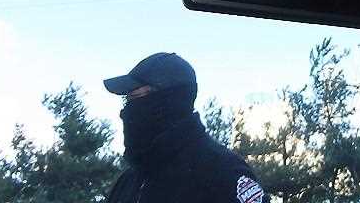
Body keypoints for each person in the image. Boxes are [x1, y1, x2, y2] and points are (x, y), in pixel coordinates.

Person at [104, 52, 265, 203]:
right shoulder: (128, 181)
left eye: (137, 98)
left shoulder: (223, 173)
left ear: (170, 101)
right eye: (127, 100)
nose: (128, 111)